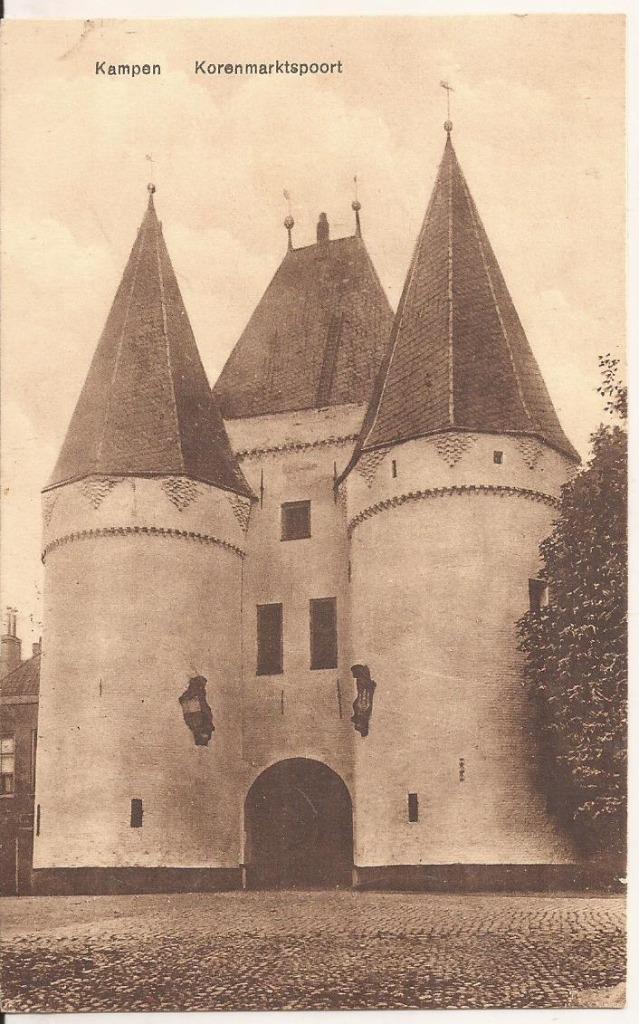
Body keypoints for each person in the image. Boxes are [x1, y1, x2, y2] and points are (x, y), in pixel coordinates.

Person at [178, 675, 215, 746]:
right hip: (196, 709)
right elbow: (205, 709)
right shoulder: (193, 724)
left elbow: (204, 709)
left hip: (195, 709)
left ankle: (197, 684)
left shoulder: (194, 724)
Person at [350, 664, 376, 737]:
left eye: (353, 672)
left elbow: (364, 696)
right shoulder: (361, 681)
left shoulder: (362, 682)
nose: (352, 675)